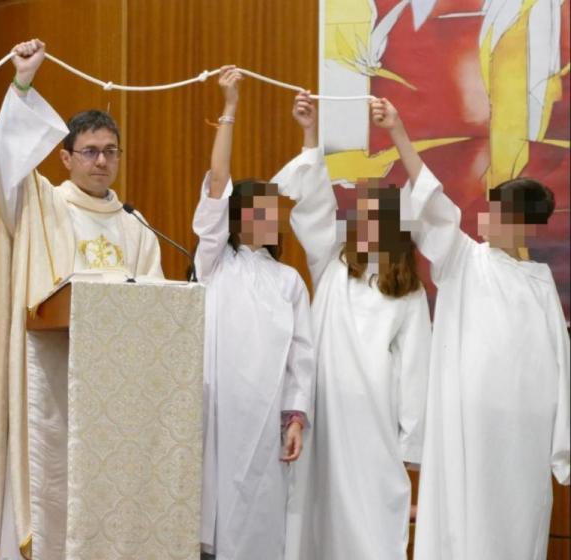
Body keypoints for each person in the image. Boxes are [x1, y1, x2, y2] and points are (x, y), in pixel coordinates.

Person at [0, 38, 163, 558]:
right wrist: (24, 82)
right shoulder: (44, 207)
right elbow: (4, 160)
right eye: (91, 151)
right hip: (53, 382)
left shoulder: (136, 228)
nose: (102, 162)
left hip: (116, 393)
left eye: (110, 151)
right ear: (66, 157)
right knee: (52, 490)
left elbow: (156, 305)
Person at [371, 98, 570, 560]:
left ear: (523, 226)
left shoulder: (540, 285)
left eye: (506, 214)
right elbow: (431, 199)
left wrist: (559, 443)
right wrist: (399, 131)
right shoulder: (463, 260)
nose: (493, 219)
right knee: (468, 525)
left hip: (525, 433)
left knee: (518, 527)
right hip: (471, 428)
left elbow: (559, 368)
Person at [272, 92, 431, 560]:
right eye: (356, 217)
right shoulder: (333, 265)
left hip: (372, 428)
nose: (357, 225)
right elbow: (314, 204)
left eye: (367, 218)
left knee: (370, 525)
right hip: (324, 419)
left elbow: (416, 368)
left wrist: (410, 442)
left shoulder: (407, 292)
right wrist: (310, 134)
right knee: (317, 523)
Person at [192, 66, 315, 560]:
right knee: (215, 527)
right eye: (257, 210)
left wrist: (295, 417)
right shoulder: (216, 263)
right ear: (236, 218)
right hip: (218, 417)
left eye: (273, 210)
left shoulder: (289, 281)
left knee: (263, 530)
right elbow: (218, 182)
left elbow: (302, 357)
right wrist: (230, 108)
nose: (269, 218)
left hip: (267, 426)